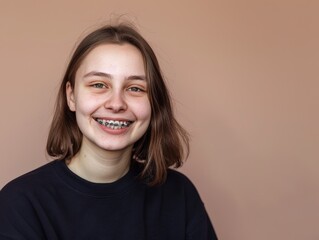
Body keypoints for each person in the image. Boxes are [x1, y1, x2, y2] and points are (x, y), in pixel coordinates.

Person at [0, 22, 218, 239]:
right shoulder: (20, 203)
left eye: (135, 88)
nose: (116, 103)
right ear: (71, 96)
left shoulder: (179, 194)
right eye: (98, 84)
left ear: (154, 103)